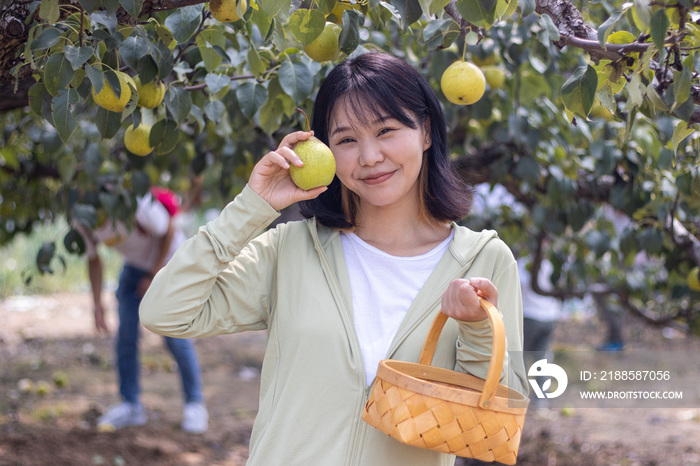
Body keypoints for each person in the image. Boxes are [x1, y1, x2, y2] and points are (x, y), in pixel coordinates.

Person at [140, 53, 526, 465]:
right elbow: (165, 311)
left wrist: (475, 329)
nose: (370, 156)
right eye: (346, 140)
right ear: (324, 150)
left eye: (386, 131)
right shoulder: (290, 252)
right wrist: (253, 207)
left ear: (426, 132)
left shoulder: (483, 260)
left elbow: (500, 405)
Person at [78, 189, 209, 433]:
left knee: (175, 337)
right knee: (126, 336)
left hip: (169, 263)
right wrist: (97, 305)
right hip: (135, 269)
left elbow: (169, 230)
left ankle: (195, 404)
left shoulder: (133, 202)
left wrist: (153, 275)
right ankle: (131, 405)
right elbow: (93, 258)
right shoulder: (82, 217)